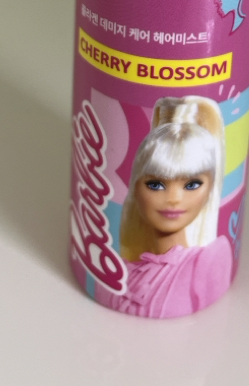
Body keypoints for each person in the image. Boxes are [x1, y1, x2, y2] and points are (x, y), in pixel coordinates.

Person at [99, 96, 233, 318]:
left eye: (191, 184)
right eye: (155, 184)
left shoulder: (208, 261)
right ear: (136, 187)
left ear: (210, 188)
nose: (173, 199)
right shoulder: (117, 269)